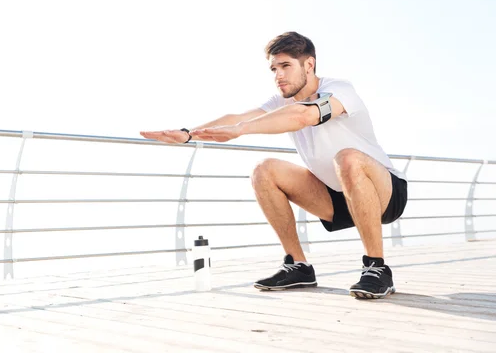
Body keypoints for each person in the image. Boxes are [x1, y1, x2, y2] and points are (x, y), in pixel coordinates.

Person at [140, 31, 407, 299]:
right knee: (264, 170)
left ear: (309, 65)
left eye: (286, 66)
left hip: (386, 193)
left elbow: (303, 115)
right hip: (336, 197)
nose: (278, 75)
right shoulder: (280, 102)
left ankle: (377, 268)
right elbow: (237, 117)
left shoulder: (339, 90)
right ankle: (298, 266)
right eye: (274, 68)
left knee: (347, 158)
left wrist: (241, 129)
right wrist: (188, 133)